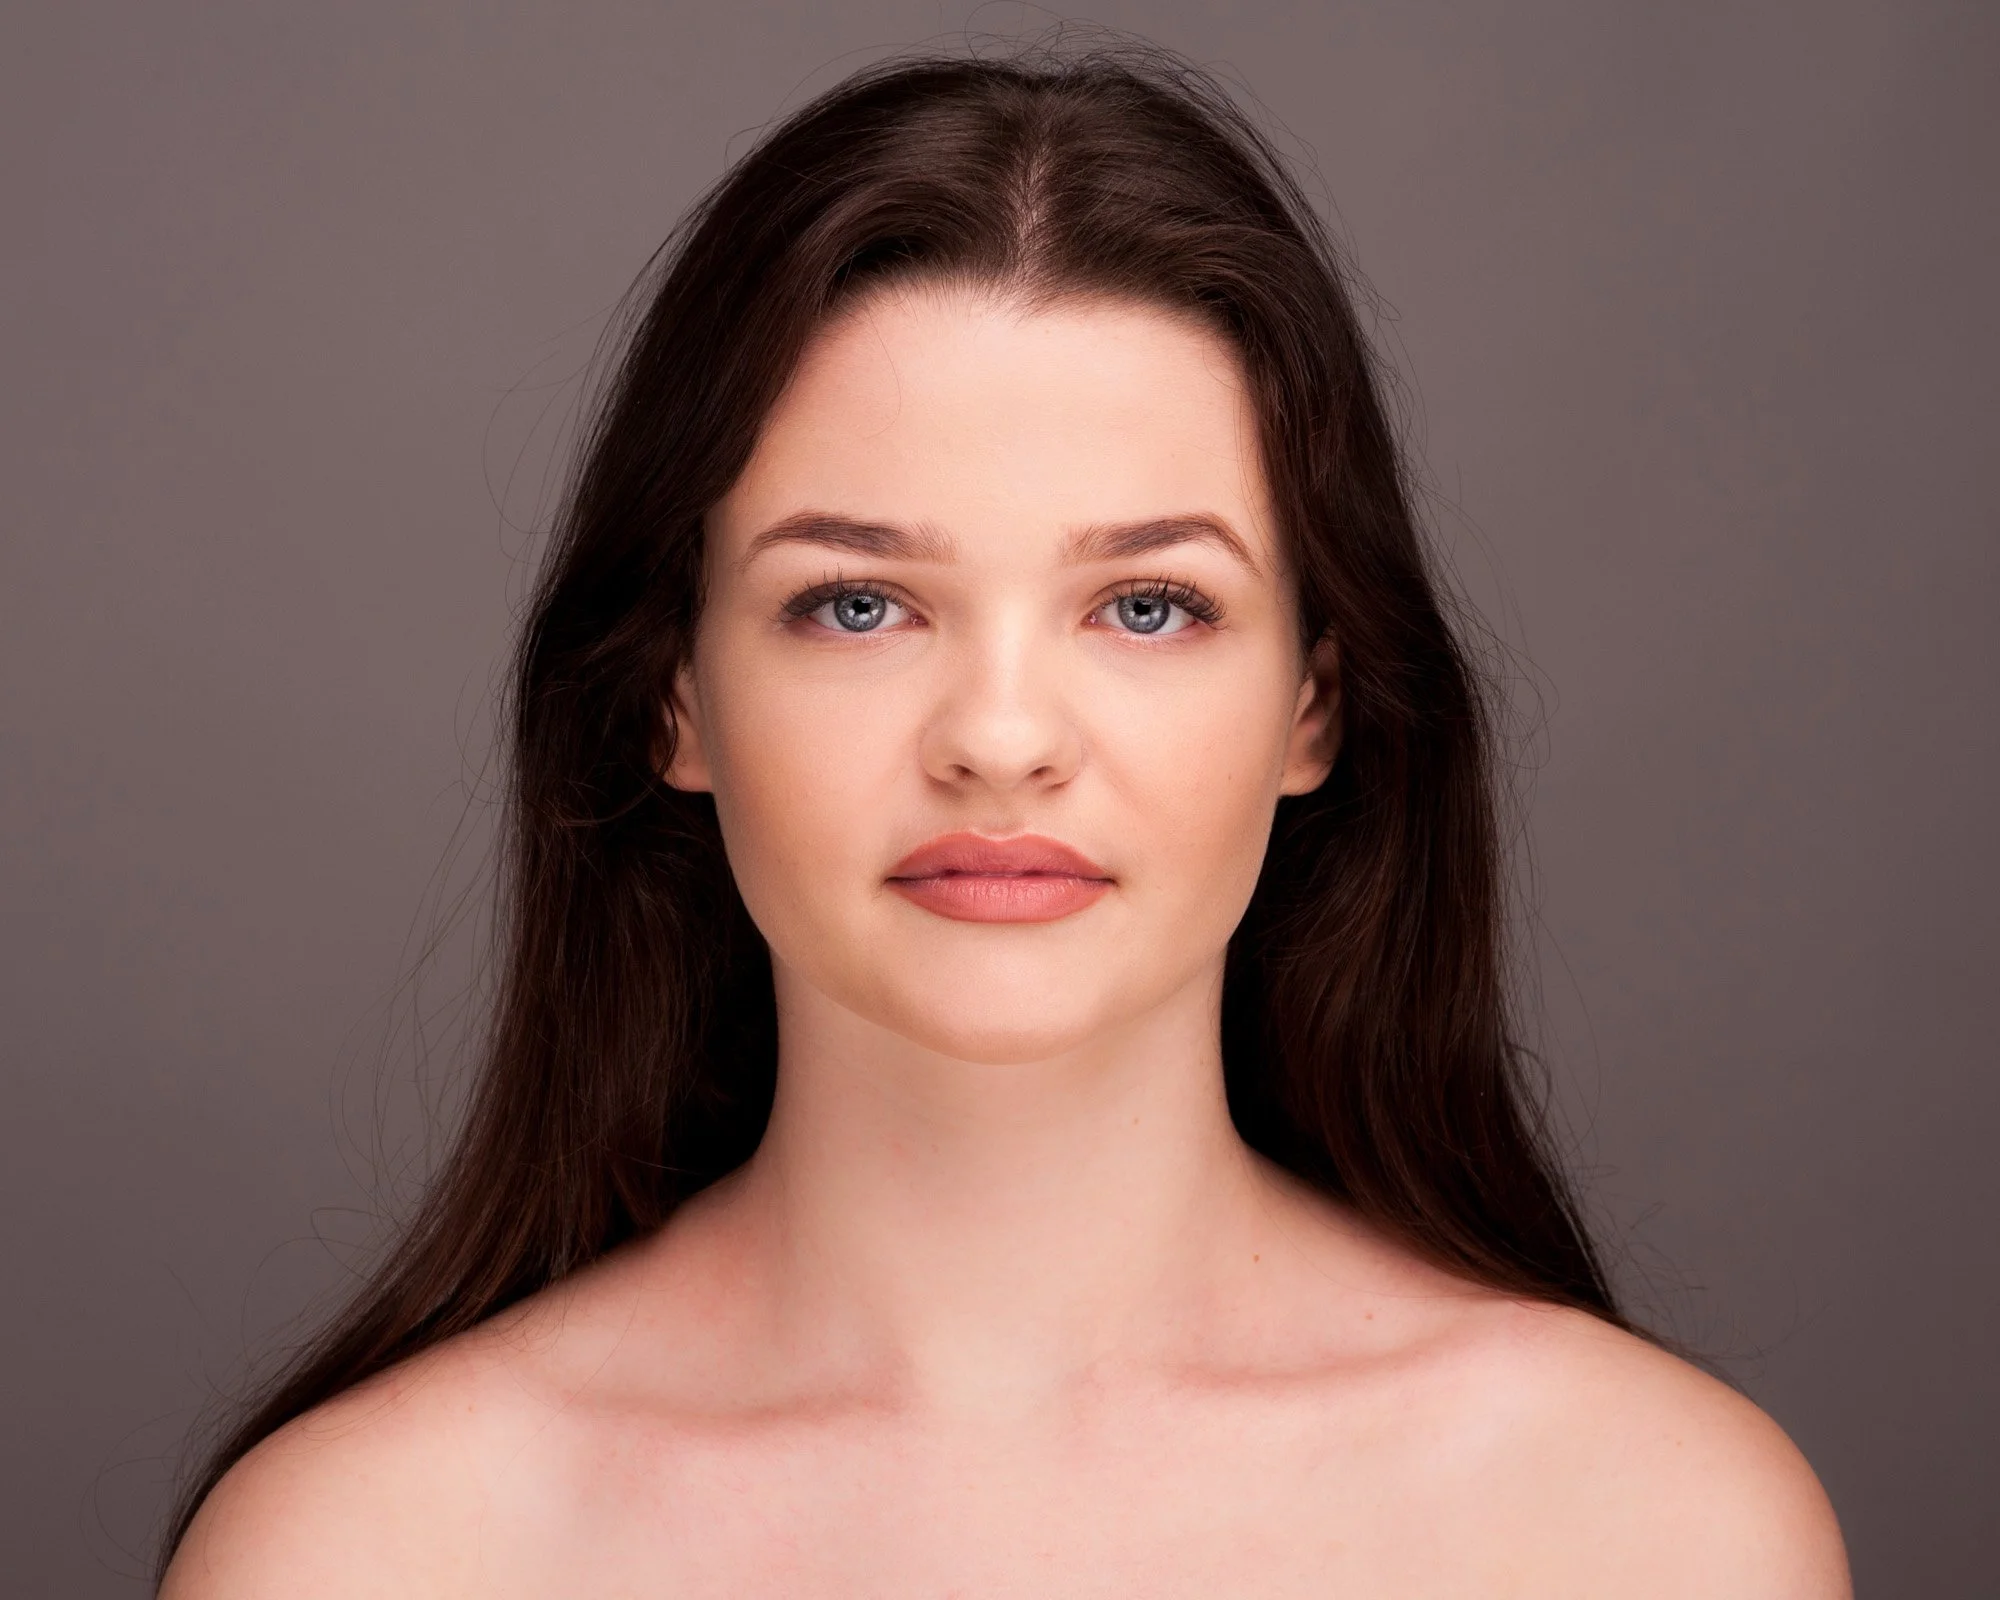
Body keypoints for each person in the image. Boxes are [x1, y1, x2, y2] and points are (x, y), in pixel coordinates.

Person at [159, 46, 1849, 1596]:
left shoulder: (1650, 1528)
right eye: (857, 606)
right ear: (670, 696)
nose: (1002, 740)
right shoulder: (362, 1554)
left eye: (1149, 608)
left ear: (1318, 703)